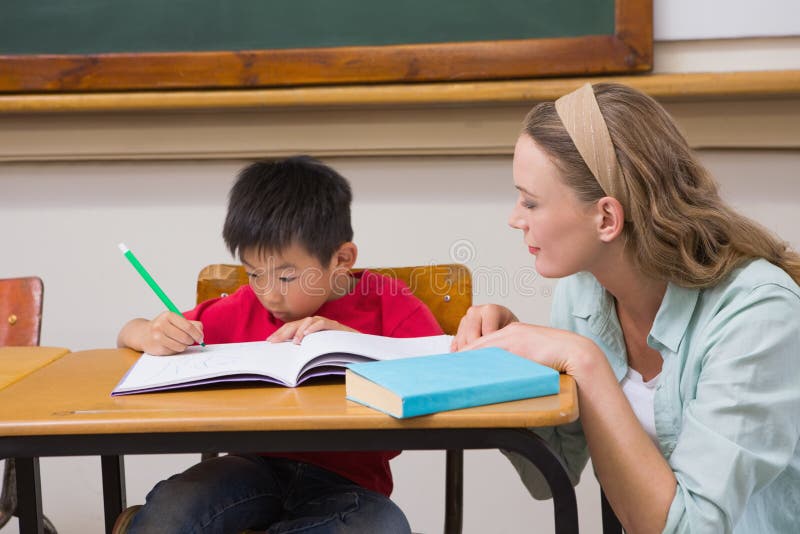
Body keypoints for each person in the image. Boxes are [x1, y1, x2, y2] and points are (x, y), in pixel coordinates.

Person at [452, 83, 800, 533]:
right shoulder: (583, 292)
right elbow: (548, 473)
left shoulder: (759, 315)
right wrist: (514, 369)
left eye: (530, 201)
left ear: (607, 218)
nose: (515, 218)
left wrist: (583, 360)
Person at [117, 155, 443, 534]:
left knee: (381, 527)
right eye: (255, 274)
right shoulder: (243, 306)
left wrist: (356, 346)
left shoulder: (387, 303)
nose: (269, 295)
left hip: (350, 484)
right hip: (252, 467)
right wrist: (149, 333)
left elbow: (440, 371)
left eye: (286, 277)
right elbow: (130, 332)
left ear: (341, 259)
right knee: (175, 504)